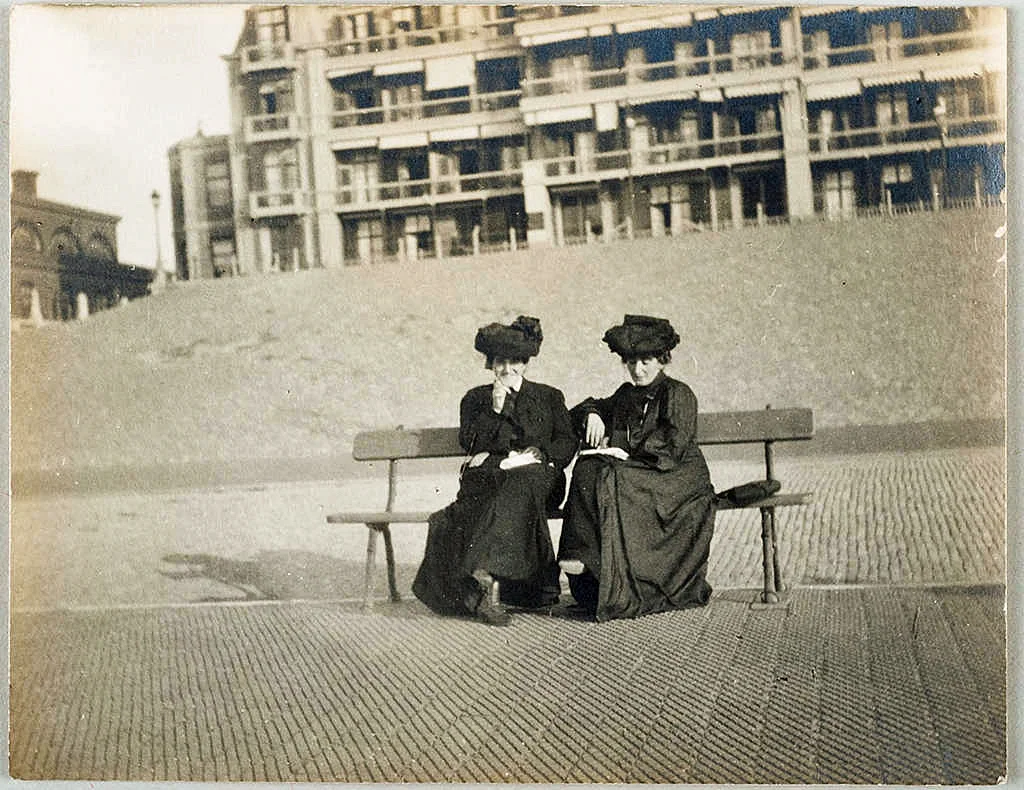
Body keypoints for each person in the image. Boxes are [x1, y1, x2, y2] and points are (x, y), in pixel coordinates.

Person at [413, 316, 577, 626]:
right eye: (500, 362)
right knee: (494, 492)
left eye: (515, 362)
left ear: (526, 364)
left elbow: (567, 439)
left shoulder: (549, 396)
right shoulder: (476, 399)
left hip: (538, 477)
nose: (507, 370)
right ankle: (492, 582)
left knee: (521, 482)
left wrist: (543, 453)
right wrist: (496, 410)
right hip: (494, 476)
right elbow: (469, 441)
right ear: (491, 364)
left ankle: (481, 576)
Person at [557, 314, 716, 622]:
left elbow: (672, 445)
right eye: (631, 362)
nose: (637, 369)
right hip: (638, 475)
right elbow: (584, 408)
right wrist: (592, 414)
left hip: (676, 480)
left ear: (662, 360)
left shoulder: (677, 393)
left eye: (645, 361)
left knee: (608, 474)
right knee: (589, 466)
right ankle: (589, 564)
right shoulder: (625, 395)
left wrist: (627, 454)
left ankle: (588, 558)